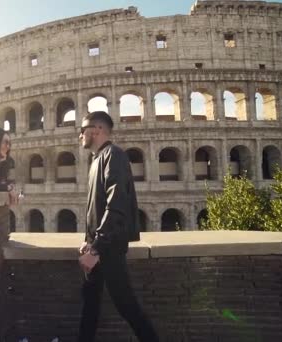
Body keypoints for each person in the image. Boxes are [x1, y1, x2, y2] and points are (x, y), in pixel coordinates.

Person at [77, 111, 159, 342]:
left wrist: (96, 248)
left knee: (126, 305)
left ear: (97, 130)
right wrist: (88, 239)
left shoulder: (114, 155)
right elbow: (96, 206)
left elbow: (116, 205)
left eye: (82, 131)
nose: (80, 136)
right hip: (100, 245)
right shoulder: (97, 159)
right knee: (90, 304)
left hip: (108, 248)